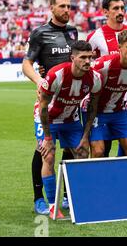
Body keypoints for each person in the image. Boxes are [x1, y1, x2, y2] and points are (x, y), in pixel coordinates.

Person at [22, 0, 78, 215]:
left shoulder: (73, 32)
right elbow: (26, 64)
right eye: (62, 6)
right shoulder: (40, 33)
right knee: (44, 150)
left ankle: (65, 196)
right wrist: (40, 79)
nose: (66, 9)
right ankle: (39, 199)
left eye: (69, 6)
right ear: (52, 8)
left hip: (71, 103)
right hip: (49, 102)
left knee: (72, 151)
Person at [38, 41, 102, 219]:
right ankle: (52, 206)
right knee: (49, 156)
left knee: (82, 153)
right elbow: (43, 106)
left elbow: (92, 108)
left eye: (90, 57)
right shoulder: (57, 74)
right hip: (47, 119)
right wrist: (48, 137)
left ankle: (79, 200)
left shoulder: (95, 78)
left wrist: (85, 136)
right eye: (83, 57)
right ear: (72, 58)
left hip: (71, 119)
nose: (87, 61)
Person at [85, 0, 127, 158]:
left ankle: (125, 180)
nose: (120, 12)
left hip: (124, 103)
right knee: (101, 150)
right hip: (100, 103)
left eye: (122, 8)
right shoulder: (95, 37)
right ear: (106, 12)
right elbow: (85, 66)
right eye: (116, 8)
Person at [89, 30, 127, 157]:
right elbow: (84, 77)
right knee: (98, 151)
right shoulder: (104, 64)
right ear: (119, 47)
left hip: (118, 111)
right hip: (97, 111)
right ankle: (97, 177)